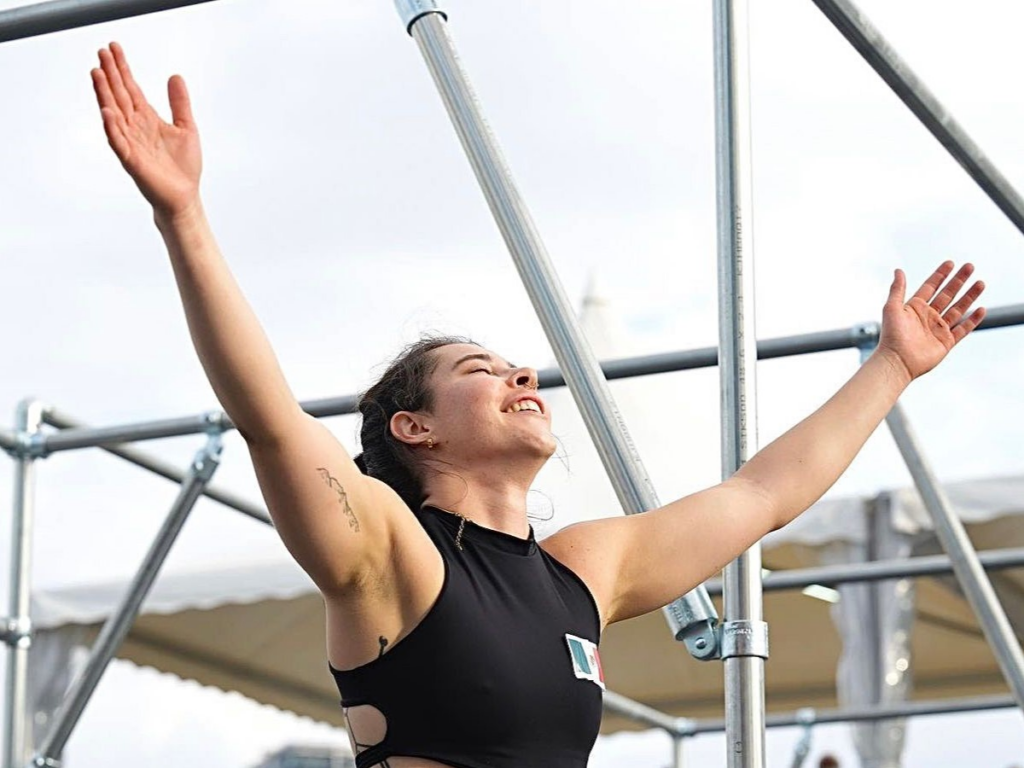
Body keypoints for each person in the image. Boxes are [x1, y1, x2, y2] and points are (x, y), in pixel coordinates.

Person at [89, 42, 986, 768]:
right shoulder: (385, 550)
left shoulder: (584, 568)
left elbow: (761, 495)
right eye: (484, 368)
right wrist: (185, 218)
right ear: (416, 427)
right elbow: (271, 419)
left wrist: (893, 369)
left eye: (522, 368)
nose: (524, 378)